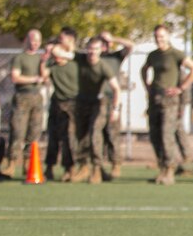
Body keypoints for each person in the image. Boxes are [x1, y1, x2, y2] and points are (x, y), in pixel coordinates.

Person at [50, 37, 122, 184]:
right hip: (80, 102)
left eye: (95, 49)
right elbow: (56, 51)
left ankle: (96, 169)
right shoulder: (80, 58)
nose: (92, 52)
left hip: (98, 102)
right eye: (90, 48)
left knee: (95, 131)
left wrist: (115, 109)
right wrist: (68, 44)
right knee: (79, 136)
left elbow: (116, 88)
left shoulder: (103, 66)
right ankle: (83, 167)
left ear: (101, 50)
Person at [141, 25, 193, 185]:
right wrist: (147, 85)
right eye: (156, 37)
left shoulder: (175, 54)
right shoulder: (153, 55)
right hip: (155, 98)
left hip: (170, 101)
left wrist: (180, 88)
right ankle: (162, 168)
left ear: (168, 37)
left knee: (167, 135)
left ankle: (170, 170)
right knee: (155, 136)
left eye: (161, 36)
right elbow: (144, 69)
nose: (159, 40)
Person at [0, 29, 46, 178]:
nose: (35, 44)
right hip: (22, 97)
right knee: (17, 131)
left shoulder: (40, 58)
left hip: (36, 97)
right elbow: (15, 77)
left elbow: (44, 76)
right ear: (27, 40)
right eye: (33, 40)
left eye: (38, 41)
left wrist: (45, 61)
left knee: (34, 133)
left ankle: (29, 165)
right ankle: (11, 164)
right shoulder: (20, 57)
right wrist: (34, 79)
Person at [94, 31, 134, 181]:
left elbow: (131, 46)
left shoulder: (115, 57)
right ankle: (97, 166)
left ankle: (116, 164)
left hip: (112, 100)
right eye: (101, 41)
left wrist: (114, 38)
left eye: (105, 42)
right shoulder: (93, 57)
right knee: (95, 135)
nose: (104, 44)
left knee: (112, 134)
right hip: (94, 101)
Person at [42, 28, 79, 181]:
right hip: (56, 103)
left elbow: (67, 52)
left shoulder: (77, 60)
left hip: (72, 104)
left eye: (62, 38)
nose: (59, 41)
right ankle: (49, 167)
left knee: (69, 138)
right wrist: (45, 57)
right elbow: (43, 76)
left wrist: (57, 51)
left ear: (70, 40)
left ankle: (69, 169)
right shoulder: (52, 63)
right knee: (53, 137)